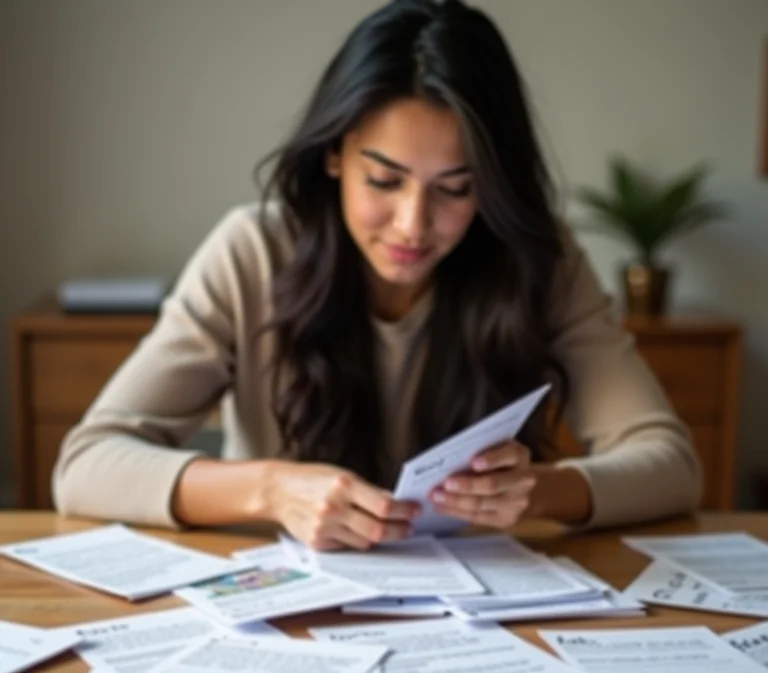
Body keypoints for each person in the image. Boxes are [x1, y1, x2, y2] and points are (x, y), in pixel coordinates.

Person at [53, 0, 701, 550]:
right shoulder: (252, 249)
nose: (413, 225)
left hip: (480, 620)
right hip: (287, 612)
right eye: (385, 181)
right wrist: (271, 488)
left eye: (456, 188)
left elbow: (670, 463)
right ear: (334, 154)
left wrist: (541, 491)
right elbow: (86, 465)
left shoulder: (538, 258)